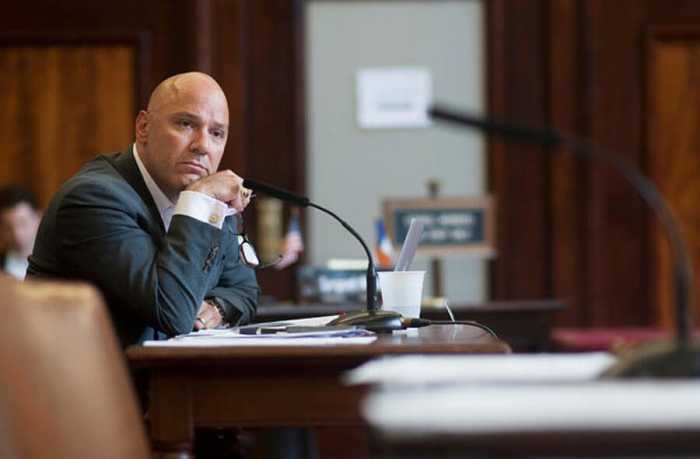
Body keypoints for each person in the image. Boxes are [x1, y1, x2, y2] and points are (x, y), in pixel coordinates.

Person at [27, 72, 260, 347]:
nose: (203, 146)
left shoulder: (211, 201)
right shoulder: (93, 199)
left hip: (165, 371)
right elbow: (172, 312)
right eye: (186, 124)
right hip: (85, 373)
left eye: (216, 133)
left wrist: (217, 307)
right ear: (144, 127)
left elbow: (245, 291)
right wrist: (198, 201)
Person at [0, 185, 41, 280]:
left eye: (23, 223)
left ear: (39, 218)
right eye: (8, 228)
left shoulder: (58, 263)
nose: (17, 233)